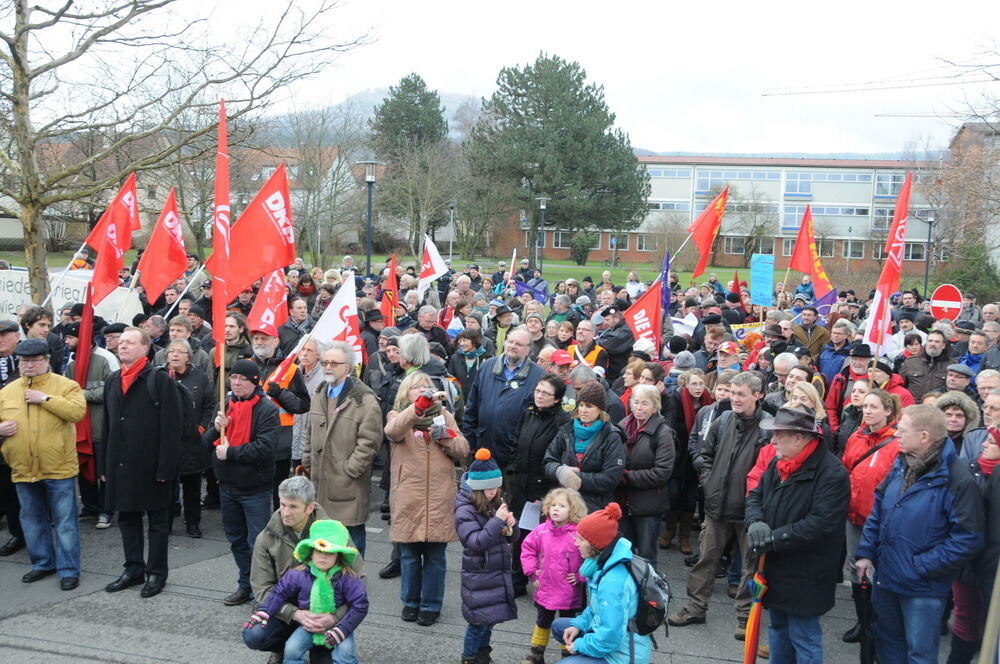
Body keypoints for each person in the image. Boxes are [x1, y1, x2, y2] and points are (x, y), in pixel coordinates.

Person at [856, 405, 984, 664]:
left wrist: (920, 566)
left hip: (923, 587)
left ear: (924, 436)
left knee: (920, 655)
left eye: (902, 430)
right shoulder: (901, 463)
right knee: (888, 646)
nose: (896, 435)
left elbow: (968, 538)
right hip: (886, 579)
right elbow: (878, 509)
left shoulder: (957, 478)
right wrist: (866, 553)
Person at [745, 406, 850, 664]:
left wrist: (772, 539)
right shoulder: (779, 461)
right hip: (777, 566)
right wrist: (756, 521)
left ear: (799, 438)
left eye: (778, 435)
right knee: (778, 630)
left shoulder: (832, 473)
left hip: (808, 573)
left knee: (804, 638)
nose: (772, 441)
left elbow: (819, 524)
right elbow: (756, 495)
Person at [669, 372, 769, 635]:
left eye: (741, 394)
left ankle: (745, 617)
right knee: (706, 559)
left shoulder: (768, 429)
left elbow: (771, 472)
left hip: (750, 511)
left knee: (750, 566)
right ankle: (695, 607)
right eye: (732, 392)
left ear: (757, 396)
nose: (734, 398)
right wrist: (708, 480)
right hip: (717, 506)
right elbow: (705, 452)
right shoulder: (723, 420)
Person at [100, 328, 184, 599]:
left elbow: (173, 428)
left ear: (145, 348)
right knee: (127, 518)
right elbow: (108, 425)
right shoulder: (113, 380)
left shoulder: (159, 380)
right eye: (121, 342)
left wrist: (166, 468)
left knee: (158, 523)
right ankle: (133, 569)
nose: (122, 346)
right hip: (121, 466)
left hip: (152, 466)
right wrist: (105, 467)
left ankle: (156, 573)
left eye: (130, 342)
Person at [384, 371, 469, 627]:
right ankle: (410, 602)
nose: (423, 391)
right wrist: (416, 410)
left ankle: (431, 604)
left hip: (439, 495)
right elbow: (392, 432)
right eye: (416, 388)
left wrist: (446, 438)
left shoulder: (445, 416)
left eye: (426, 387)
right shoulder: (398, 414)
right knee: (409, 554)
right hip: (409, 494)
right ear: (406, 394)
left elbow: (463, 450)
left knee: (435, 556)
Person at [0, 339, 86, 590]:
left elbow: (77, 413)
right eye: (24, 361)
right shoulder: (7, 391)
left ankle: (69, 569)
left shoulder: (66, 385)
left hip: (58, 467)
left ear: (46, 360)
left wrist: (45, 398)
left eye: (34, 360)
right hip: (23, 467)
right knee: (32, 519)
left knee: (65, 521)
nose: (28, 365)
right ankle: (42, 564)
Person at [204, 358, 279, 606]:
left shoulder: (266, 409)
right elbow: (207, 443)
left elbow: (265, 448)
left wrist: (231, 453)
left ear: (254, 382)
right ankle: (245, 585)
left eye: (241, 379)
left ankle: (264, 592)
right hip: (228, 486)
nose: (235, 383)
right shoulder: (226, 404)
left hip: (254, 489)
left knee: (258, 543)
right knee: (236, 540)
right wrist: (215, 429)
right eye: (233, 378)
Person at [244, 519, 367, 664]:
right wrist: (265, 611)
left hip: (337, 628)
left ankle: (323, 652)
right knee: (291, 649)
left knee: (345, 654)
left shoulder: (347, 578)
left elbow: (360, 605)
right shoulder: (297, 574)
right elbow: (278, 593)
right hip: (307, 625)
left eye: (330, 552)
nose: (323, 556)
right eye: (319, 550)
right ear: (311, 552)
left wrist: (341, 628)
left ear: (338, 555)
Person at [303, 342, 382, 558]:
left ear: (347, 367)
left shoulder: (363, 400)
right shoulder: (320, 392)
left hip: (348, 487)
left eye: (333, 363)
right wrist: (308, 462)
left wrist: (350, 470)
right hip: (320, 484)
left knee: (350, 548)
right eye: (325, 362)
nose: (327, 367)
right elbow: (310, 431)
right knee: (322, 549)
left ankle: (353, 589)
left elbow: (370, 442)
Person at [550, 502, 652, 664]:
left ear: (595, 544)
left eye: (581, 539)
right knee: (560, 626)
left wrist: (579, 645)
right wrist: (579, 625)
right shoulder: (606, 562)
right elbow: (597, 608)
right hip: (615, 639)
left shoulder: (612, 582)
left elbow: (610, 638)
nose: (576, 544)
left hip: (621, 656)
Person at [840, 389, 900, 642]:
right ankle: (863, 621)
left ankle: (880, 624)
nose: (867, 411)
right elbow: (846, 468)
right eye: (865, 406)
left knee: (879, 570)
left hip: (881, 518)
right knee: (856, 568)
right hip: (853, 515)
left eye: (874, 406)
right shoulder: (856, 436)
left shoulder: (897, 442)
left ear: (888, 411)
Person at [456, 449, 520, 664]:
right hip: (479, 575)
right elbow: (475, 542)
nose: (493, 492)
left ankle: (483, 655)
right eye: (488, 488)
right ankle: (469, 658)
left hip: (495, 573)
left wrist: (510, 527)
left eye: (495, 487)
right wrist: (497, 522)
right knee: (478, 624)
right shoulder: (465, 510)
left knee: (489, 621)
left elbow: (510, 539)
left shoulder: (495, 504)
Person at [519, 487, 588, 663]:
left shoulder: (578, 534)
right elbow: (527, 549)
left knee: (568, 622)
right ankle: (536, 652)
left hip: (569, 590)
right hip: (546, 587)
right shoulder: (541, 530)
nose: (556, 509)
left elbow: (591, 558)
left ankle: (567, 653)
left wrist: (581, 576)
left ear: (573, 510)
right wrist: (532, 572)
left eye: (562, 506)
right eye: (553, 505)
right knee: (542, 620)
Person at [249, 323, 311, 509]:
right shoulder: (246, 365)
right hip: (251, 440)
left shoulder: (290, 369)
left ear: (276, 341)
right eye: (256, 338)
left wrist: (281, 393)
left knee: (278, 494)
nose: (259, 342)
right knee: (253, 494)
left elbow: (302, 405)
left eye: (264, 338)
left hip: (279, 442)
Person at [463, 328, 544, 469]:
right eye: (510, 341)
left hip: (515, 454)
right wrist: (469, 439)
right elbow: (472, 406)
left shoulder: (538, 376)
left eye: (518, 344)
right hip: (483, 447)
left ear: (529, 350)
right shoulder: (487, 367)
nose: (512, 346)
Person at [544, 382, 626, 514]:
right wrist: (560, 471)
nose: (583, 410)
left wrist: (578, 478)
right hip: (564, 505)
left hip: (594, 509)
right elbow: (548, 461)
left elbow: (610, 479)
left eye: (589, 406)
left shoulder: (611, 436)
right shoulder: (567, 430)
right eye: (581, 405)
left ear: (600, 409)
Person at [617, 383, 675, 564]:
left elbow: (661, 473)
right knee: (623, 554)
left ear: (655, 406)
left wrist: (626, 476)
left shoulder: (663, 433)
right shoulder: (623, 425)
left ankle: (648, 592)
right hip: (623, 503)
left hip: (648, 505)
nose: (639, 408)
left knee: (646, 557)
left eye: (645, 403)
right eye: (636, 402)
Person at [163, 339, 216, 538]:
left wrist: (202, 428)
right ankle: (165, 523)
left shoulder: (199, 377)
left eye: (180, 352)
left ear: (188, 356)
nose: (175, 355)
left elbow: (209, 405)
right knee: (166, 486)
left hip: (192, 441)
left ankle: (193, 523)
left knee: (192, 486)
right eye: (172, 351)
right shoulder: (159, 376)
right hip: (167, 441)